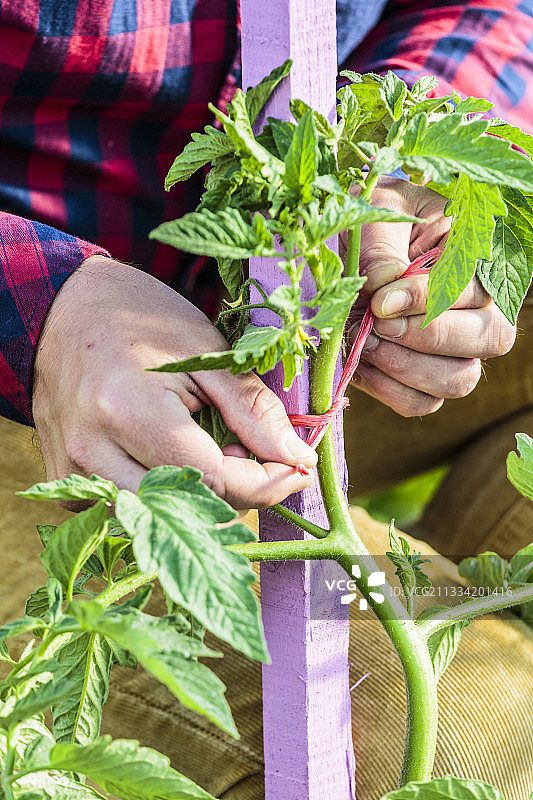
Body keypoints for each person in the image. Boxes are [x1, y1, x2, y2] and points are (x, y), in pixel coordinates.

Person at [1, 0, 533, 797]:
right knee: (468, 739)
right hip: (35, 368)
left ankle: (456, 589)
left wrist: (395, 167)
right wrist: (38, 305)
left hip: (295, 300)